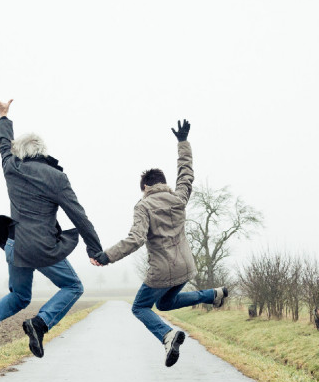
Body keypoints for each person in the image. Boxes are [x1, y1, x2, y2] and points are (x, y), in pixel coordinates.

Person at [0, 93, 104, 358]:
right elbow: (79, 216)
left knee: (20, 296)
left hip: (14, 244)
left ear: (20, 152)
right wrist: (95, 250)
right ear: (43, 151)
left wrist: (3, 116)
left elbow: (3, 145)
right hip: (41, 247)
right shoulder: (57, 178)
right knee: (73, 287)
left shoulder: (11, 167)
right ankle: (40, 323)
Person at [90, 119, 227, 367]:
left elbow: (136, 239)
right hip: (186, 266)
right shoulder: (178, 198)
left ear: (145, 187)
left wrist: (106, 256)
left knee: (140, 308)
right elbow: (186, 174)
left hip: (162, 271)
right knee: (164, 303)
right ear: (163, 182)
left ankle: (167, 335)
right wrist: (183, 142)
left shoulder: (143, 205)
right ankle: (212, 295)